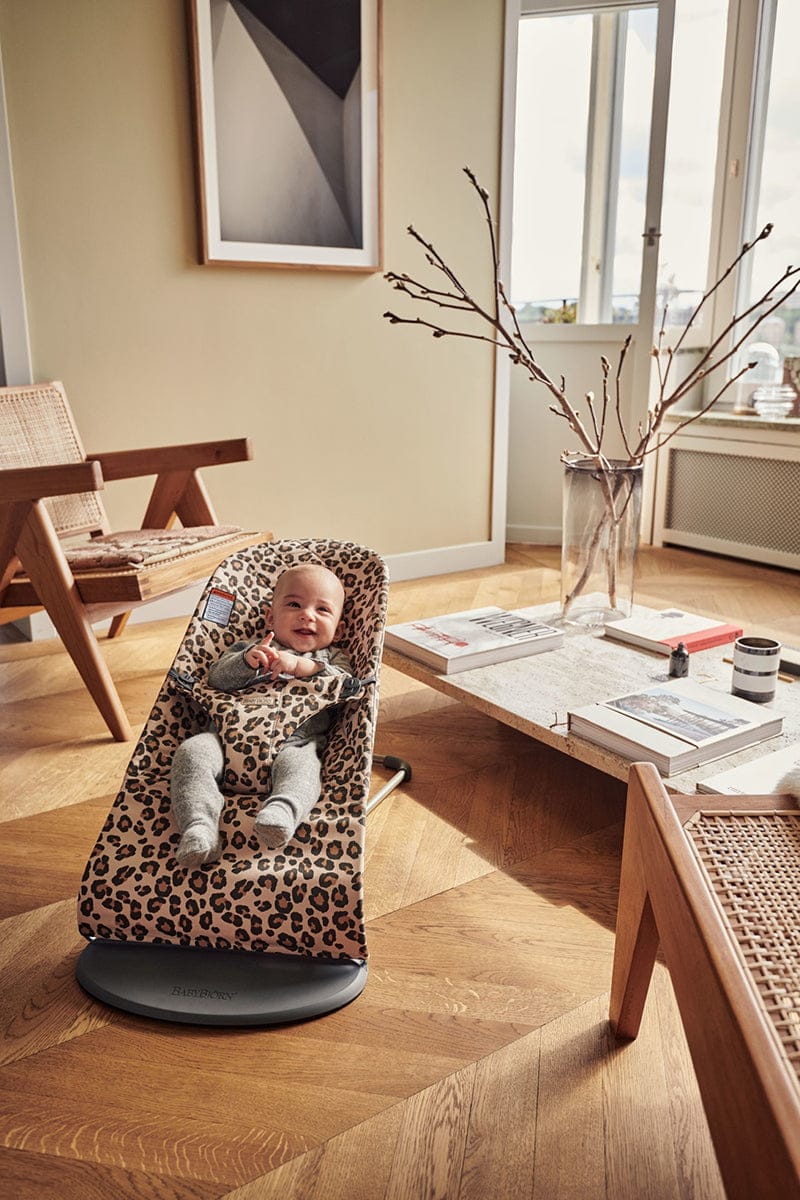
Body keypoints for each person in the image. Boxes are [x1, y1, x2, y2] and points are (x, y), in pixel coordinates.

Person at [171, 563, 352, 867]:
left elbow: (342, 687)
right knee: (191, 753)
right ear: (270, 617)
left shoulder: (330, 658)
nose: (307, 614)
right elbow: (216, 679)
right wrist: (245, 661)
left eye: (322, 610)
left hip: (292, 744)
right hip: (226, 741)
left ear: (339, 629)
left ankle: (281, 812)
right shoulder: (250, 649)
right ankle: (200, 826)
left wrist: (299, 666)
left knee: (305, 768)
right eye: (294, 604)